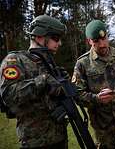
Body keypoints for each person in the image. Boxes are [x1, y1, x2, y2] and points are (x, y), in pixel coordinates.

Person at [0, 15, 68, 149]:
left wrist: (63, 85)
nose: (59, 43)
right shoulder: (14, 60)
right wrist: (43, 80)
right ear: (39, 36)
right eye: (55, 38)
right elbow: (8, 94)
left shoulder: (49, 64)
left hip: (59, 138)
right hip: (34, 142)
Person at [72, 19, 115, 149]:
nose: (102, 44)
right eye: (97, 41)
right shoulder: (82, 63)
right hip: (102, 126)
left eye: (104, 39)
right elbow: (77, 94)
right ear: (89, 41)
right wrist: (96, 99)